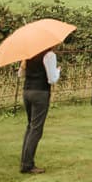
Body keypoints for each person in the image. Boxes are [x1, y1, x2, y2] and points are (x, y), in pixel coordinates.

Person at [19, 45, 61, 174]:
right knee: (36, 129)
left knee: (30, 126)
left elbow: (20, 74)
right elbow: (52, 79)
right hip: (40, 92)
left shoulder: (28, 54)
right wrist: (58, 71)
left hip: (27, 91)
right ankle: (27, 164)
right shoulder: (49, 55)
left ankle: (25, 160)